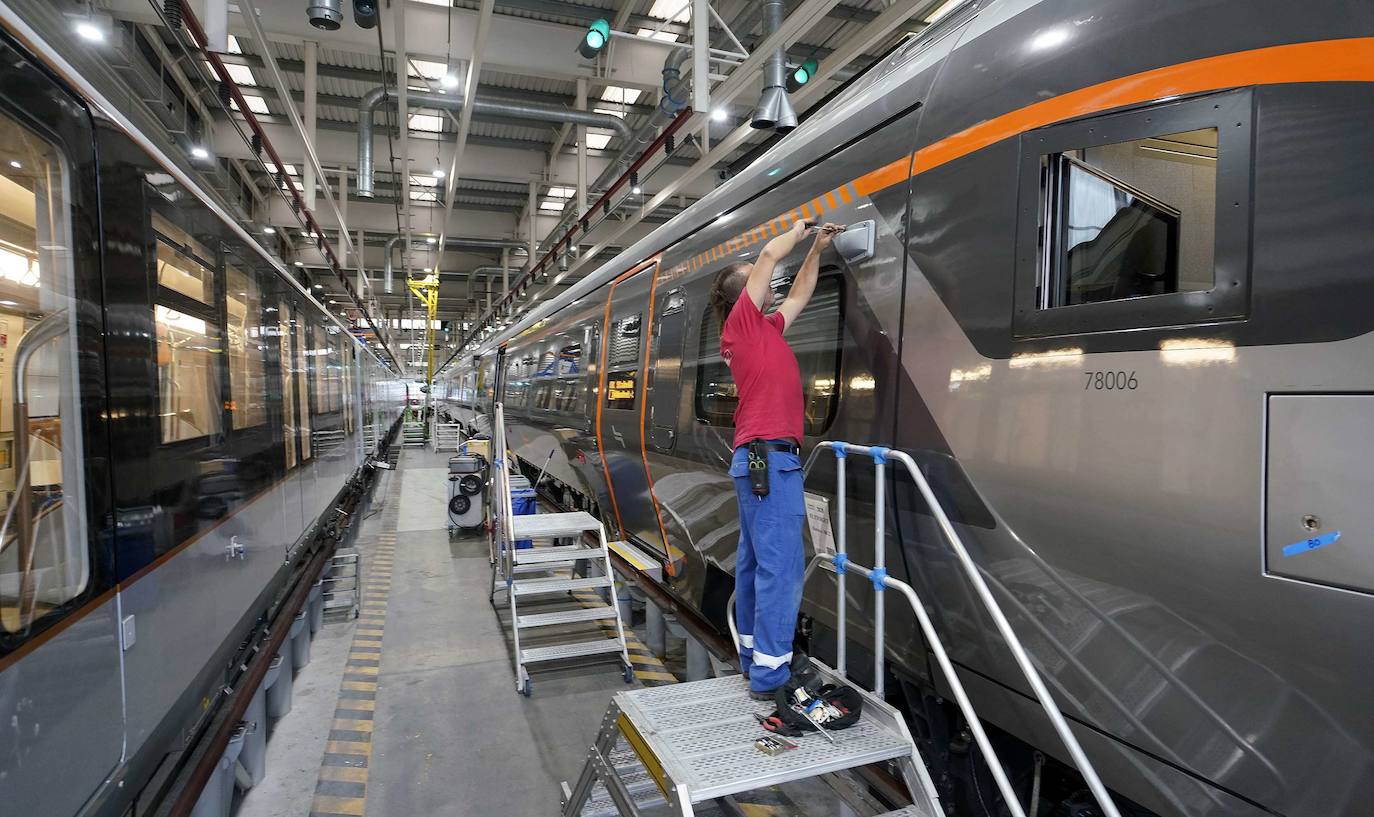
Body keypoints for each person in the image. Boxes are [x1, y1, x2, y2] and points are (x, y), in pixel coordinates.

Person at [709, 217, 843, 700]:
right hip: (770, 458)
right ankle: (771, 674)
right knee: (781, 567)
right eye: (755, 279)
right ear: (742, 293)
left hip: (759, 459)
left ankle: (753, 657)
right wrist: (803, 228)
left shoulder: (762, 329)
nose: (767, 281)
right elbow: (768, 258)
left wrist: (817, 250)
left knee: (753, 562)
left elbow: (799, 296)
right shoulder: (740, 322)